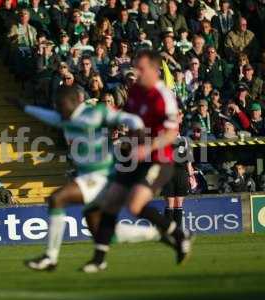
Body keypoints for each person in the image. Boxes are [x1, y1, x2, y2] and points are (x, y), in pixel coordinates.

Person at [15, 85, 160, 271]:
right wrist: (24, 107)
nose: (59, 109)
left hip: (102, 176)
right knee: (104, 232)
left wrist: (140, 134)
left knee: (57, 199)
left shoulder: (95, 113)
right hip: (88, 176)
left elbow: (131, 119)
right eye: (57, 105)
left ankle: (50, 258)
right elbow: (46, 116)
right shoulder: (65, 118)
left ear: (75, 102)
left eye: (62, 104)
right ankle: (158, 233)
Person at [82, 50, 193, 273]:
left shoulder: (164, 96)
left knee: (134, 205)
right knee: (110, 201)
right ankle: (99, 258)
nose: (136, 73)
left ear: (155, 70)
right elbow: (131, 125)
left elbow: (172, 134)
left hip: (160, 160)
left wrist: (147, 148)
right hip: (137, 157)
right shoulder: (134, 92)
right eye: (135, 68)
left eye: (141, 69)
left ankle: (178, 233)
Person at [162, 110, 194, 229]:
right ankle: (167, 230)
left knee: (179, 203)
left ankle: (177, 230)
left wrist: (191, 176)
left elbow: (188, 160)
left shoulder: (184, 141)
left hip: (181, 173)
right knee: (170, 203)